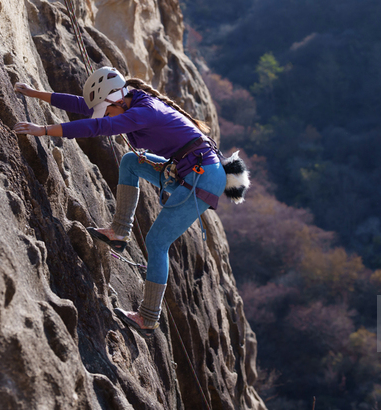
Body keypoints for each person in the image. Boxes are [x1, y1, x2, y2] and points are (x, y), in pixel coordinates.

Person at [13, 67, 226, 337]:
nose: (104, 114)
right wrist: (33, 93)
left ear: (116, 101)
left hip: (202, 177)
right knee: (131, 162)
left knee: (157, 243)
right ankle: (119, 232)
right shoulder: (128, 100)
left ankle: (148, 318)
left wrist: (43, 130)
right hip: (191, 170)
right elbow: (86, 106)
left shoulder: (143, 111)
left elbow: (97, 125)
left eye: (107, 109)